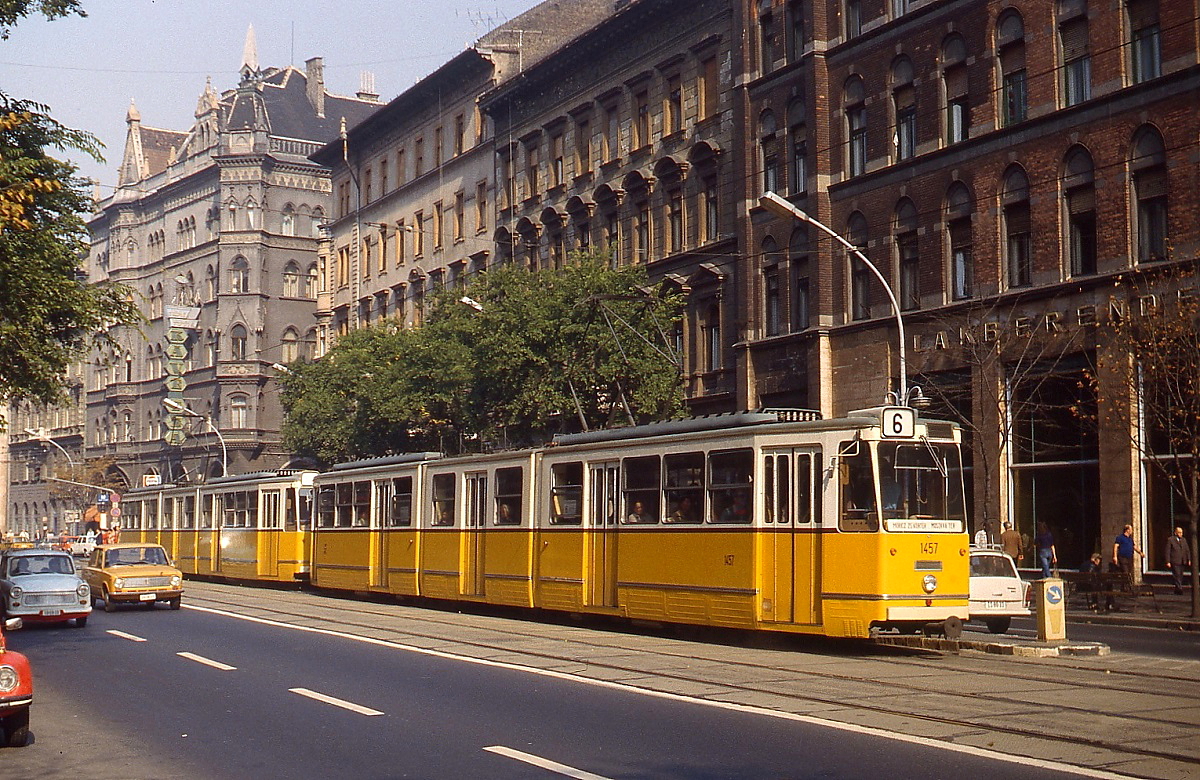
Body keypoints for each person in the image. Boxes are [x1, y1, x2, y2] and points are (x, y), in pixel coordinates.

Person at [1165, 526, 1191, 595]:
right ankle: (1180, 588)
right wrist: (1168, 561)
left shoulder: (1184, 540)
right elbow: (1167, 551)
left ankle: (1177, 588)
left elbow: (1187, 550)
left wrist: (1189, 559)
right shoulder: (1170, 540)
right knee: (1177, 574)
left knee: (1180, 575)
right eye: (1179, 532)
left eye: (1181, 533)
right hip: (1175, 560)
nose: (1181, 534)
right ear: (1175, 533)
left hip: (1183, 560)